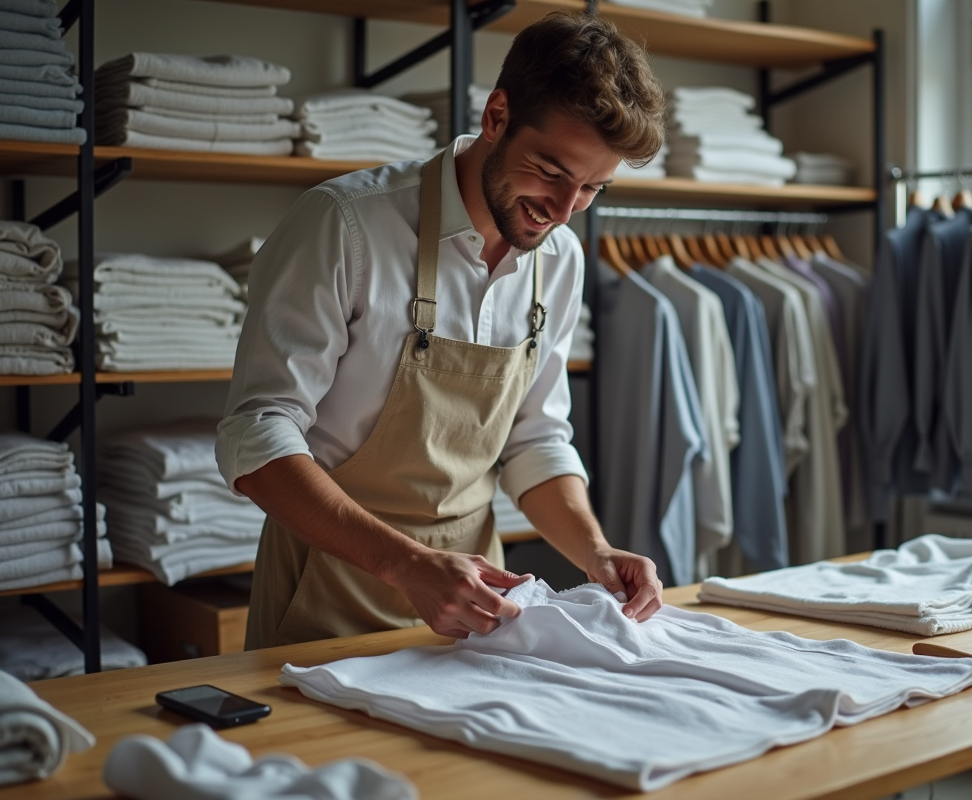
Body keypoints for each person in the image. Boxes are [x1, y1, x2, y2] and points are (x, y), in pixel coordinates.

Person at [216, 11, 668, 649]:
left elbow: (535, 439)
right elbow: (256, 435)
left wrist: (595, 551)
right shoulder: (343, 225)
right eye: (551, 172)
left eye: (593, 188)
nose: (564, 212)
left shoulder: (559, 260)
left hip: (479, 607)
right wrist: (408, 565)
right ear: (497, 116)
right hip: (325, 590)